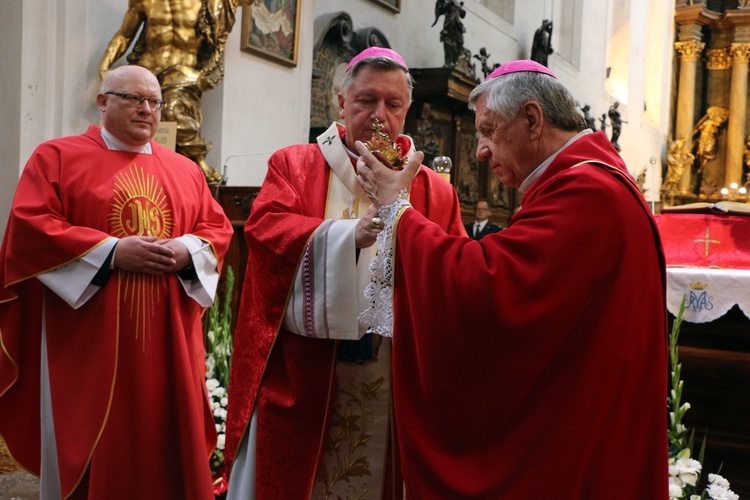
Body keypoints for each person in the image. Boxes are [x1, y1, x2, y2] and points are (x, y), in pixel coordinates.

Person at [355, 60, 668, 497]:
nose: (480, 150)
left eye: (487, 130)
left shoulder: (588, 194)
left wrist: (397, 210)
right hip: (588, 420)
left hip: (576, 438)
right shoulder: (594, 182)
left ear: (533, 119)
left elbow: (487, 288)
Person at [224, 47, 466, 499]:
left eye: (393, 105)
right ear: (340, 103)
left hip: (392, 374)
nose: (380, 116)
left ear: (407, 111)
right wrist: (345, 237)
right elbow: (266, 232)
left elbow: (454, 272)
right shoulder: (295, 166)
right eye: (366, 101)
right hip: (308, 370)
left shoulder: (434, 189)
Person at [0, 65, 233, 499]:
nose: (147, 110)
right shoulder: (56, 157)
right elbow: (31, 226)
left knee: (166, 437)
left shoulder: (185, 170)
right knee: (92, 441)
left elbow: (216, 229)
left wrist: (186, 250)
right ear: (103, 101)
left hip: (168, 341)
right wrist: (111, 252)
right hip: (87, 340)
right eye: (133, 99)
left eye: (155, 102)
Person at [99, 0, 251, 185]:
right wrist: (104, 66)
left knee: (172, 113)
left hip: (182, 74)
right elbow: (124, 36)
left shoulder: (205, 3)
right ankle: (135, 168)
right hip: (148, 71)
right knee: (132, 122)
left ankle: (196, 161)